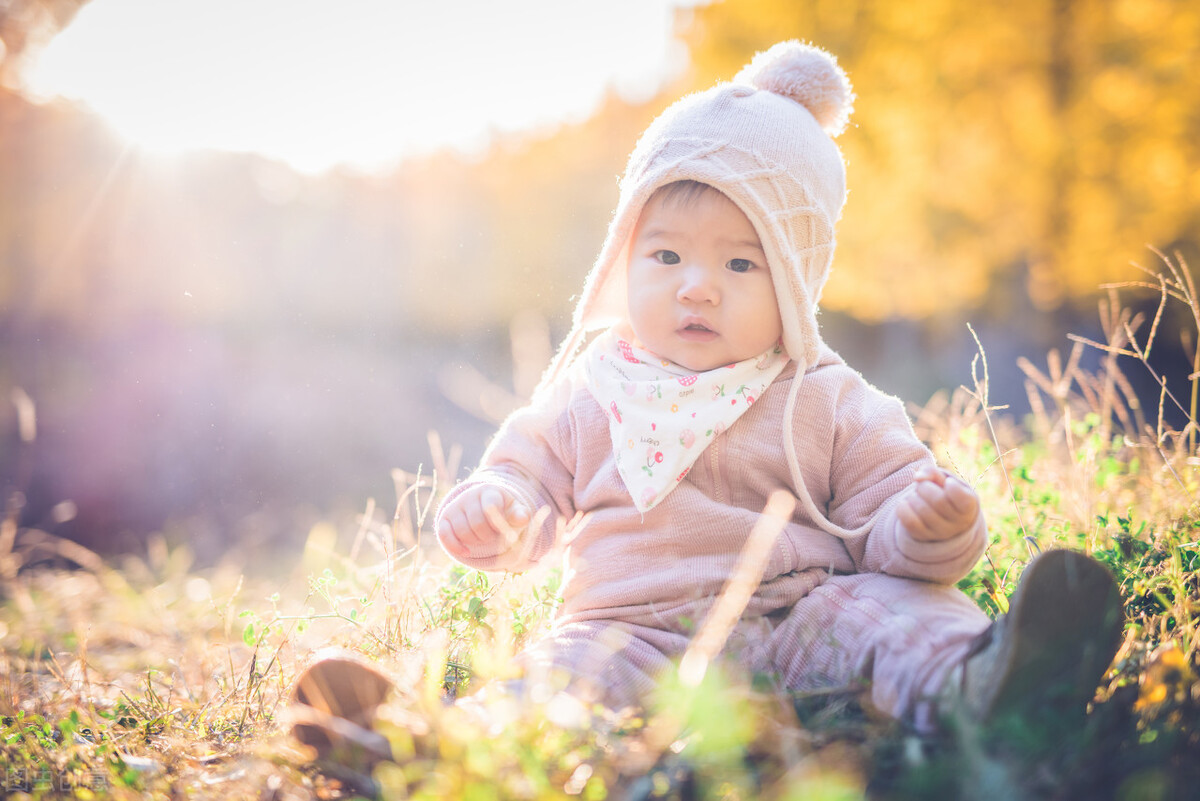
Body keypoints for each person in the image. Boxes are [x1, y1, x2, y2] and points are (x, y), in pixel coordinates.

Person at [291, 41, 1123, 757]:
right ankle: (419, 742)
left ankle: (987, 682)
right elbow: (529, 485)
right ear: (623, 256)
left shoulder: (825, 394)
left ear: (797, 282)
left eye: (739, 264)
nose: (697, 288)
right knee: (563, 679)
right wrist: (497, 510)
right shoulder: (592, 388)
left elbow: (887, 519)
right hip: (634, 632)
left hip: (804, 614)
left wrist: (929, 526)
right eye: (665, 257)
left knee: (899, 610)